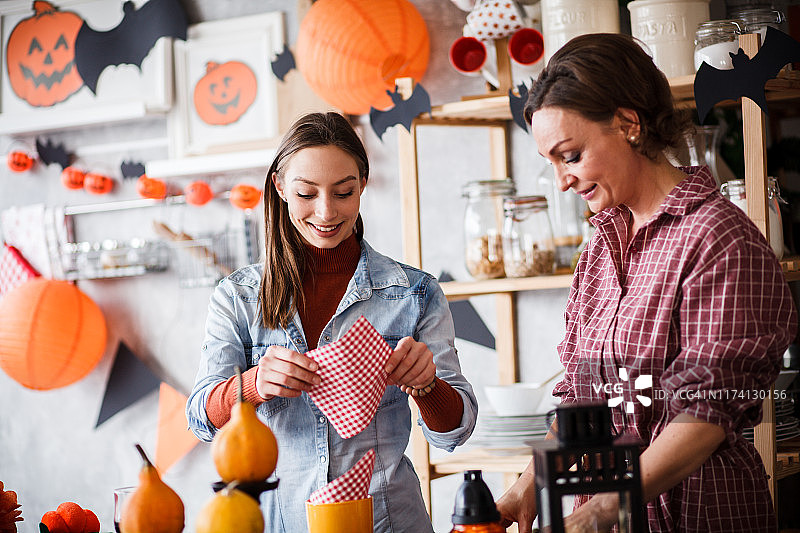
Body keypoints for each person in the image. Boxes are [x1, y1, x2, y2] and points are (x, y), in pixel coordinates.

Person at [495, 33, 797, 532]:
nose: (562, 182)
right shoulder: (601, 244)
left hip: (696, 515)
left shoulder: (718, 237)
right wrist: (527, 487)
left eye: (569, 156)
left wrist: (601, 509)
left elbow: (705, 417)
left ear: (628, 124)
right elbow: (582, 400)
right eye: (550, 164)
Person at [186, 112, 477, 533]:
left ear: (363, 184)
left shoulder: (415, 293)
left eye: (343, 192)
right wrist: (252, 385)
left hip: (389, 522)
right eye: (307, 193)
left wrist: (428, 385)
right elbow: (200, 420)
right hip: (281, 523)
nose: (326, 212)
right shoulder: (239, 296)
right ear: (280, 187)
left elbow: (455, 433)